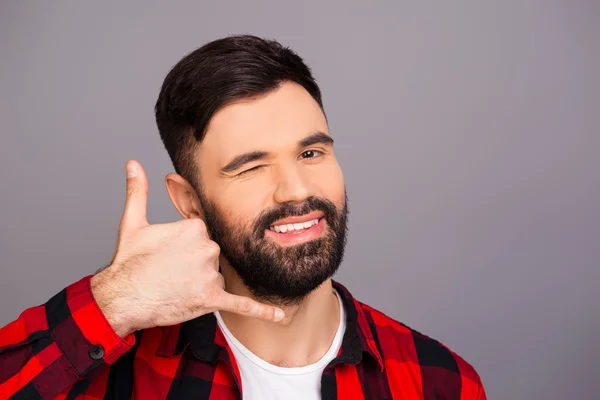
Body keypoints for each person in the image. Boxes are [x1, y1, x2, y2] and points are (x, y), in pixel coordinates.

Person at [0, 34, 486, 400]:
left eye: (311, 153)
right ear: (189, 202)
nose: (296, 191)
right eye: (251, 167)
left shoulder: (439, 380)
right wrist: (113, 301)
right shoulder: (114, 380)